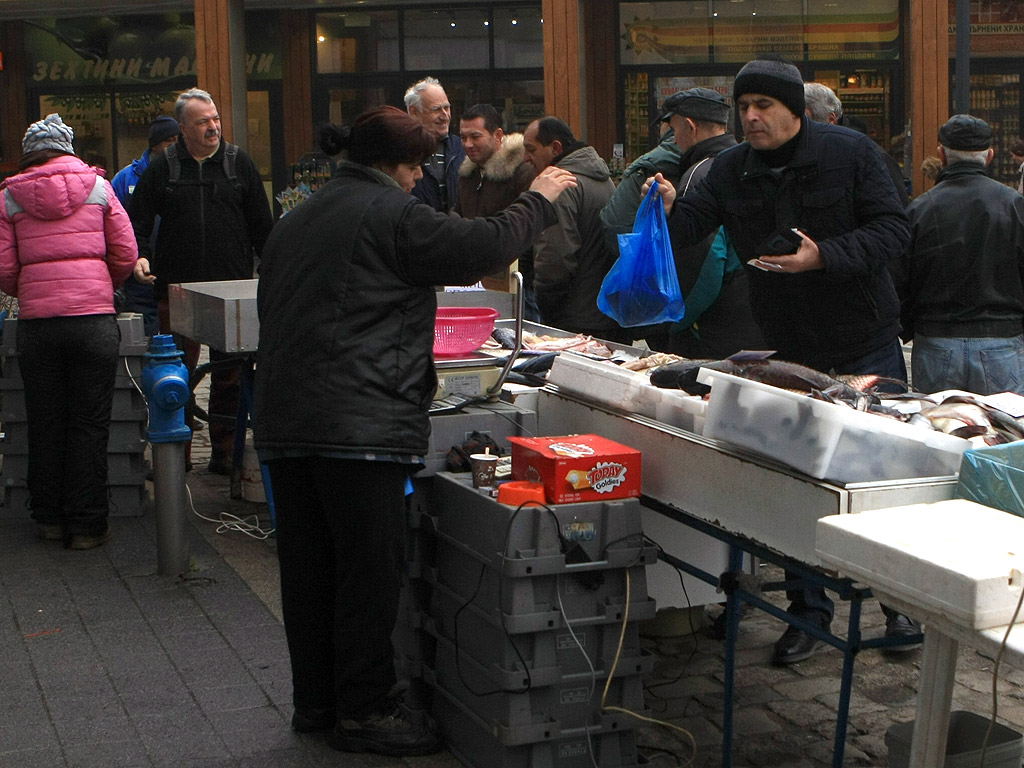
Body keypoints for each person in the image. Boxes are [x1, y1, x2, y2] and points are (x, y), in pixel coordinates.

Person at [252, 106, 575, 757]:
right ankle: (368, 712)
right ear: (396, 166)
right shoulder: (392, 213)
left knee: (310, 571)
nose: (417, 180)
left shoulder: (296, 219)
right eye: (415, 167)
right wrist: (538, 201)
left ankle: (316, 704)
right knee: (368, 575)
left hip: (288, 422)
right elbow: (481, 246)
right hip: (359, 425)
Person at [645, 56, 918, 664]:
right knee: (798, 479)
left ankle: (903, 608)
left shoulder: (851, 154)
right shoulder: (728, 168)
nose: (750, 117)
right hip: (785, 345)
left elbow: (895, 231)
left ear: (795, 109)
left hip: (863, 336)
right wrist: (665, 206)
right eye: (743, 107)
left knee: (882, 470)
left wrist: (825, 256)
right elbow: (693, 223)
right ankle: (809, 614)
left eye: (763, 106)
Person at [0, 114, 138, 548]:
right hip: (93, 322)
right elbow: (126, 252)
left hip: (39, 326)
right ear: (67, 148)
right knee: (89, 423)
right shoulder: (99, 187)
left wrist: (28, 289)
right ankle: (87, 526)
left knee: (45, 422)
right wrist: (101, 287)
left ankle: (49, 520)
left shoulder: (8, 198)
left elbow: (4, 270)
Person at [129, 88, 273, 474]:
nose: (213, 127)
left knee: (230, 376)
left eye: (215, 119)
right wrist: (139, 255)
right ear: (182, 129)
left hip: (232, 291)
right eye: (203, 122)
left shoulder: (237, 162)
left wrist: (275, 271)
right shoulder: (164, 167)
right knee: (175, 376)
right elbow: (136, 223)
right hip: (176, 291)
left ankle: (225, 453)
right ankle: (177, 453)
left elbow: (263, 227)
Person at [603, 87, 764, 357]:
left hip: (714, 328)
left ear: (690, 127)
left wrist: (676, 323)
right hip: (752, 317)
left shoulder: (700, 174)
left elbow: (704, 264)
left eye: (674, 130)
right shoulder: (746, 164)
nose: (673, 140)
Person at [892, 115, 1024, 396]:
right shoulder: (1014, 205)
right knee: (1002, 435)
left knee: (938, 433)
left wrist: (911, 326)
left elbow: (899, 279)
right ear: (989, 156)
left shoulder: (921, 209)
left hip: (937, 340)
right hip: (1001, 339)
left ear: (941, 154)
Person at [522, 116, 629, 342]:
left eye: (531, 149)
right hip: (606, 312)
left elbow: (555, 256)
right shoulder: (603, 179)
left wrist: (546, 303)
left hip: (575, 319)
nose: (525, 158)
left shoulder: (561, 185)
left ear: (555, 148)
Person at [453, 103, 537, 306]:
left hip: (518, 286)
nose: (467, 144)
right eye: (463, 138)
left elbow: (531, 228)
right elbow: (458, 214)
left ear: (498, 135)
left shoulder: (523, 172)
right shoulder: (467, 175)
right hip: (476, 282)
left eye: (475, 137)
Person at [110, 115, 179, 337]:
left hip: (175, 270)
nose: (175, 145)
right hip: (139, 273)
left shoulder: (184, 173)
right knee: (144, 332)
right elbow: (111, 224)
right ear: (155, 143)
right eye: (169, 140)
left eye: (179, 139)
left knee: (180, 333)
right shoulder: (126, 178)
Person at [804, 82, 909, 206]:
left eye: (805, 121)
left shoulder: (869, 156)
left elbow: (896, 215)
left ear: (830, 120)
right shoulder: (803, 157)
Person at [404, 76, 465, 213]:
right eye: (436, 109)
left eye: (447, 108)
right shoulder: (400, 151)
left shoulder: (462, 148)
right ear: (414, 112)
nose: (445, 116)